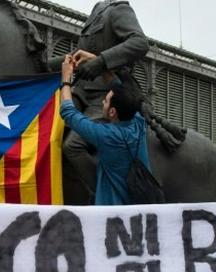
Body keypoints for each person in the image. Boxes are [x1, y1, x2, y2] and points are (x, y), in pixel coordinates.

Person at [51, 0, 150, 201]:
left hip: (105, 95)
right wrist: (41, 64)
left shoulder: (120, 9)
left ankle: (98, 190)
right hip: (83, 92)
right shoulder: (97, 10)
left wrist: (101, 61)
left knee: (73, 145)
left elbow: (140, 43)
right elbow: (80, 56)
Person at [59, 54, 149, 205]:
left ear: (113, 112)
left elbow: (68, 112)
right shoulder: (138, 122)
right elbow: (116, 84)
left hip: (111, 211)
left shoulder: (107, 135)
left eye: (106, 101)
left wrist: (66, 78)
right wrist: (95, 60)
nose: (102, 101)